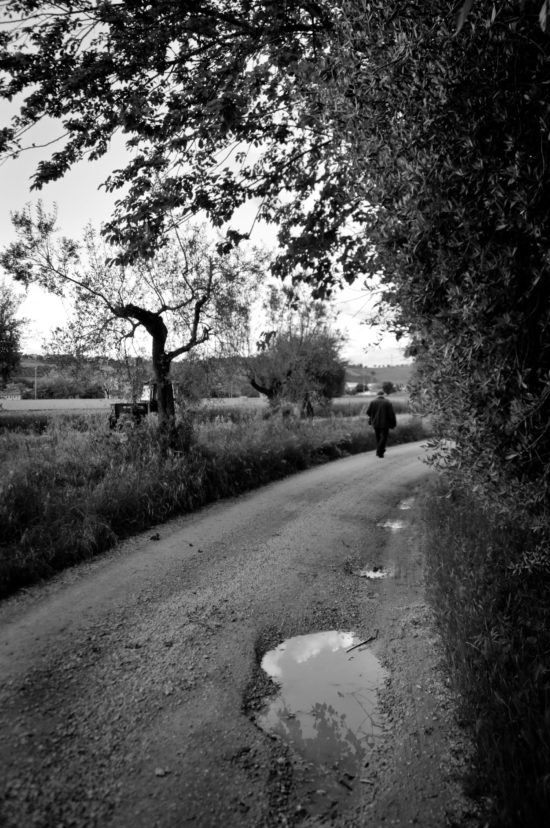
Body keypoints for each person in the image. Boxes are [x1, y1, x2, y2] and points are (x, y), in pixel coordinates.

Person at [366, 390, 397, 458]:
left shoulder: (373, 402)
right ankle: (380, 451)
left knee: (378, 437)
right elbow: (391, 414)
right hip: (385, 423)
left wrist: (373, 416)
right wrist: (393, 423)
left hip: (375, 423)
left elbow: (368, 412)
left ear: (377, 395)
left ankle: (380, 451)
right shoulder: (388, 402)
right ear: (384, 395)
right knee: (384, 437)